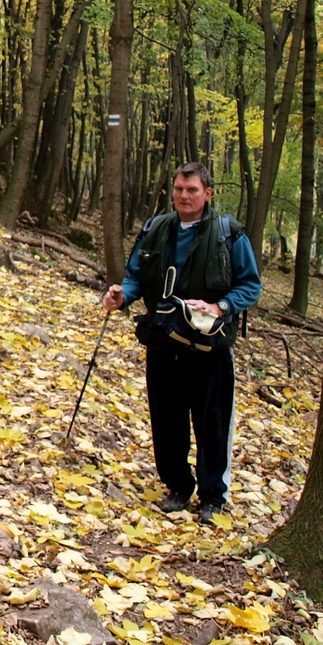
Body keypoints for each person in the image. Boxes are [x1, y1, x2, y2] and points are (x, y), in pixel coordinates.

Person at [101, 162, 261, 525]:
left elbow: (250, 286)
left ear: (207, 193)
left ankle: (212, 498)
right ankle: (177, 486)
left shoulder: (228, 233)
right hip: (162, 342)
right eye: (178, 189)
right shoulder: (156, 229)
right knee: (167, 420)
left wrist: (220, 306)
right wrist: (120, 296)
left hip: (209, 349)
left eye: (191, 190)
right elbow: (135, 277)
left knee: (212, 422)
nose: (184, 196)